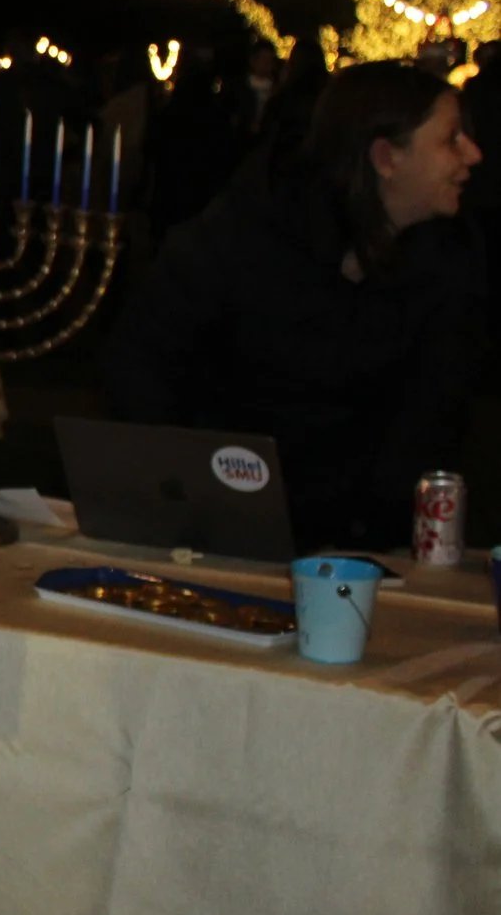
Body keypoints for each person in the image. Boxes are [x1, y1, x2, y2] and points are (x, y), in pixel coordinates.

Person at [104, 62, 483, 550]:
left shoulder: (449, 258)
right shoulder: (241, 235)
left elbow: (434, 417)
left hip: (363, 547)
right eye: (451, 139)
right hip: (220, 526)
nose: (473, 154)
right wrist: (188, 490)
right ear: (386, 158)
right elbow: (141, 364)